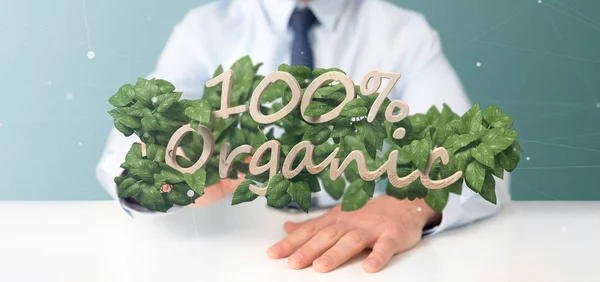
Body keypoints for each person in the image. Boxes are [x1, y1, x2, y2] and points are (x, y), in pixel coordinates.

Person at [96, 0, 510, 274]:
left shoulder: (402, 33)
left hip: (363, 263)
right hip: (230, 255)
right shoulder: (207, 28)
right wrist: (164, 173)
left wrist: (414, 206)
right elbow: (126, 149)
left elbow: (478, 157)